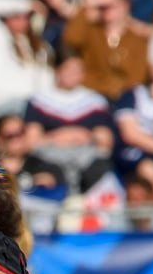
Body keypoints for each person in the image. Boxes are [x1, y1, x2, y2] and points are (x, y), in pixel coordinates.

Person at [22, 48, 114, 195]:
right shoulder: (39, 101)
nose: (72, 74)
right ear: (57, 70)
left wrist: (83, 137)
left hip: (85, 156)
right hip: (50, 157)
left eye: (77, 70)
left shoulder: (95, 102)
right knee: (46, 176)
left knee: (101, 174)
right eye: (68, 69)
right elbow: (32, 140)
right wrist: (57, 137)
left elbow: (105, 141)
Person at [62, 0, 148, 102]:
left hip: (122, 99)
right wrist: (88, 3)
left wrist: (114, 88)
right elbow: (71, 38)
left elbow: (137, 76)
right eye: (104, 6)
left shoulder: (136, 38)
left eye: (113, 4)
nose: (108, 8)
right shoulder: (92, 31)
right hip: (90, 95)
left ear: (125, 4)